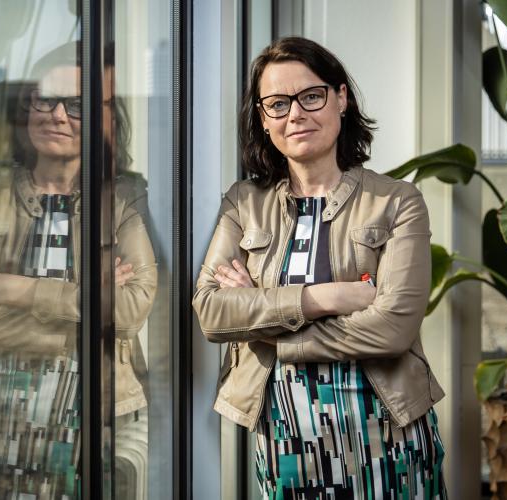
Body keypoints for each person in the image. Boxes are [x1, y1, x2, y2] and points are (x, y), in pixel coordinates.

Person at [192, 37, 447, 498]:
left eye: (311, 96)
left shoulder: (397, 202)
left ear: (341, 99)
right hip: (284, 436)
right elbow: (211, 311)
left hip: (385, 434)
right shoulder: (243, 203)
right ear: (263, 120)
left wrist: (264, 327)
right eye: (276, 104)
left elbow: (392, 330)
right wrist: (324, 297)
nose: (295, 114)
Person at [0, 41, 157, 499]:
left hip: (99, 411)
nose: (58, 115)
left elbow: (130, 310)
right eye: (46, 99)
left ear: (103, 119)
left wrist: (9, 288)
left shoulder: (123, 201)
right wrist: (83, 303)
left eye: (77, 104)